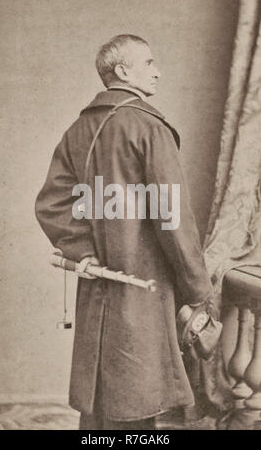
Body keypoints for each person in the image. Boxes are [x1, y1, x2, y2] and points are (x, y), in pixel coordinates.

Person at [35, 34, 214, 430]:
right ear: (123, 71)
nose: (158, 71)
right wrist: (198, 289)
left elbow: (51, 203)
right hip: (143, 285)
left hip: (100, 280)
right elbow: (174, 219)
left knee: (102, 402)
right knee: (136, 401)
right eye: (149, 62)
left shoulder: (77, 130)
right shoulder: (149, 127)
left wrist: (86, 252)